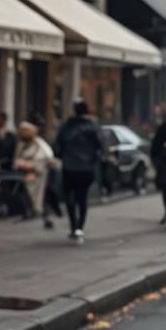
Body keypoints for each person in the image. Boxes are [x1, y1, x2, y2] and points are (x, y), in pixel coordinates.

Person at [54, 99, 102, 244]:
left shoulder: (67, 125)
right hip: (86, 168)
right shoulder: (92, 126)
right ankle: (80, 227)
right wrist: (94, 161)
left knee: (70, 197)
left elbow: (58, 144)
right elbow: (99, 146)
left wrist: (62, 156)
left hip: (69, 166)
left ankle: (73, 225)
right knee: (82, 198)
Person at [13, 121, 53, 221]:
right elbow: (17, 159)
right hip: (25, 171)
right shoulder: (22, 144)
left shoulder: (38, 144)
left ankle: (36, 209)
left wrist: (30, 165)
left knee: (34, 189)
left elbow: (44, 158)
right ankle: (29, 209)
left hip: (37, 172)